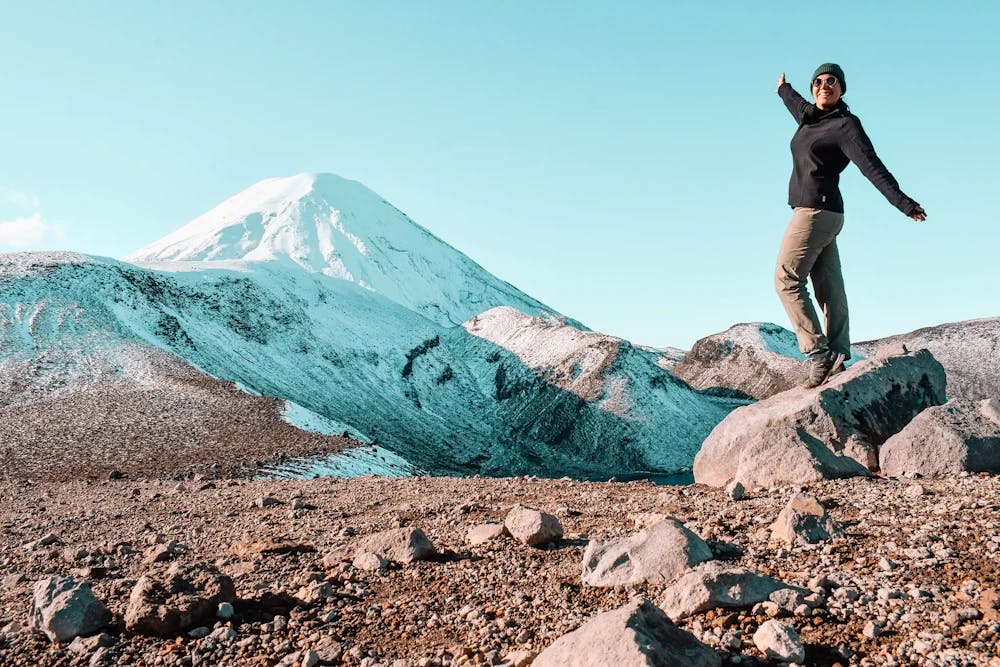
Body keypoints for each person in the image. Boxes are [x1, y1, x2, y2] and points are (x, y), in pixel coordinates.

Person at [773, 63, 926, 388]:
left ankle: (818, 353)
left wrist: (904, 203)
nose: (823, 85)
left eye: (831, 81)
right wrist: (783, 90)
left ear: (841, 88)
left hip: (815, 211)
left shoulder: (845, 126)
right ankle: (839, 355)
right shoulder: (809, 117)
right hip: (825, 213)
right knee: (829, 287)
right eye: (818, 82)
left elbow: (872, 167)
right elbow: (796, 104)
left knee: (786, 278)